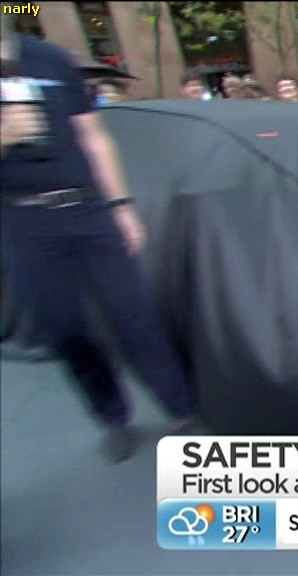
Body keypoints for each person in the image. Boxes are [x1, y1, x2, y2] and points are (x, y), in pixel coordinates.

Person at [0, 27, 195, 463]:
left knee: (134, 315)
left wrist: (121, 205)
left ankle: (181, 409)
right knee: (66, 329)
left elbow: (93, 137)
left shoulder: (51, 59)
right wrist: (6, 135)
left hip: (88, 209)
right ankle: (113, 417)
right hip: (22, 219)